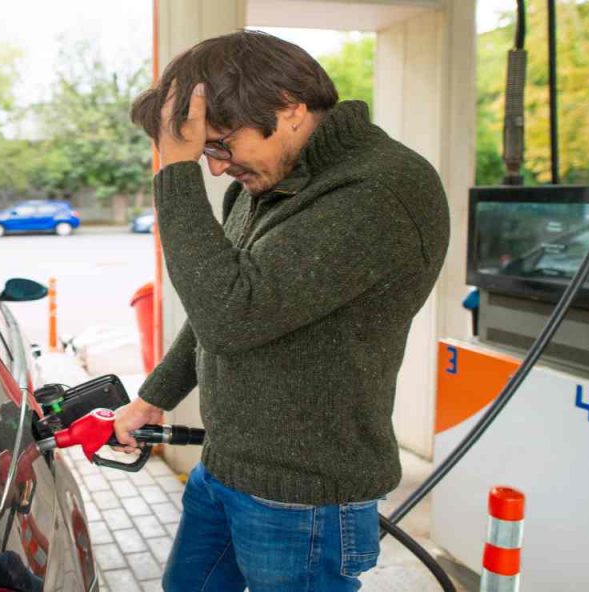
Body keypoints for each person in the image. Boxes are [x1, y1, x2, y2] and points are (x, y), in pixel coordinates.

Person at [112, 30, 450, 591]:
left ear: (289, 109)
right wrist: (155, 397)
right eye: (202, 153)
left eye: (218, 145)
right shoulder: (263, 184)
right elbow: (217, 305)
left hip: (304, 500)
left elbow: (230, 312)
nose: (215, 168)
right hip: (224, 469)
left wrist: (175, 173)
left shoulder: (380, 190)